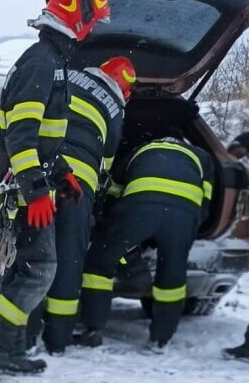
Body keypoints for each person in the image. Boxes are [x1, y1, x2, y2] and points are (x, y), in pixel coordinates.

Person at [0, 0, 111, 374]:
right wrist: (36, 192)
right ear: (77, 19)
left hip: (23, 188)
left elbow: (45, 138)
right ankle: (2, 347)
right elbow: (20, 136)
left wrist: (63, 172)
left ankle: (5, 347)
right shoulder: (41, 64)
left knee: (27, 271)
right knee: (39, 270)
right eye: (92, 21)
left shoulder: (51, 62)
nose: (92, 29)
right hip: (18, 193)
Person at [29, 56, 136, 355]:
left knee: (32, 253)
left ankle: (24, 334)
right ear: (123, 90)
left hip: (43, 170)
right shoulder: (114, 106)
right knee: (68, 258)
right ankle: (58, 340)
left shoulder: (70, 76)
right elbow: (108, 159)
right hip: (77, 188)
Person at [77, 130, 215, 353]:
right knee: (172, 273)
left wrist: (112, 224)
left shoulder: (140, 150)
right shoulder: (202, 156)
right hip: (183, 215)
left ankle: (93, 330)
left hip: (140, 208)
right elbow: (207, 201)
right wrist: (189, 229)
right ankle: (161, 340)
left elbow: (113, 189)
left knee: (100, 261)